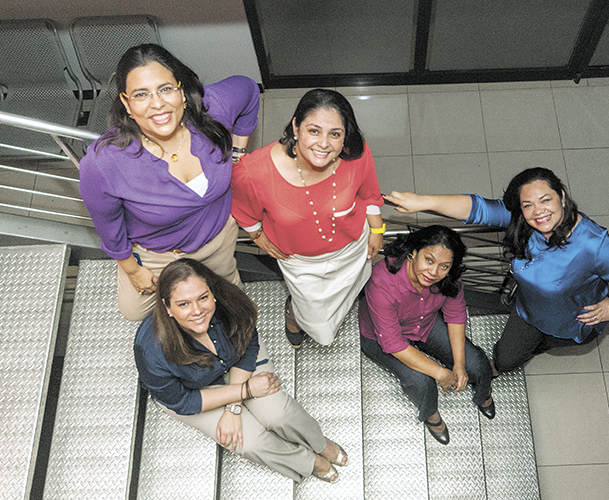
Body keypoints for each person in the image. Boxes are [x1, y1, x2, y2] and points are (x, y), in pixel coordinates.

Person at [384, 167, 609, 374]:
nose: (538, 212)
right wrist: (424, 202)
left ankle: (531, 351)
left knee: (541, 346)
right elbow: (478, 208)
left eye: (545, 200)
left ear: (561, 197)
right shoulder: (526, 223)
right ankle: (505, 363)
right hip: (526, 311)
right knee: (506, 357)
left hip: (570, 323)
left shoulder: (594, 246)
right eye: (528, 205)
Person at [79, 44, 260, 321]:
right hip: (158, 253)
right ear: (127, 104)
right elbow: (108, 225)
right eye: (141, 94)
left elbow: (248, 89)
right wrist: (132, 269)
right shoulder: (105, 161)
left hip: (217, 238)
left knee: (229, 296)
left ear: (181, 91)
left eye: (166, 89)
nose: (157, 103)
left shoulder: (212, 110)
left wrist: (236, 153)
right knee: (133, 312)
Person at [134, 258, 348, 483]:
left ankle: (320, 443)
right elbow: (182, 402)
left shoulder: (229, 301)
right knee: (251, 442)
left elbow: (248, 341)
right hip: (196, 392)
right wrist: (244, 391)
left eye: (203, 298)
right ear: (167, 307)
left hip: (239, 363)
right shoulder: (151, 350)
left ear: (212, 293)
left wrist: (233, 407)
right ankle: (308, 462)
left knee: (280, 414)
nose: (197, 311)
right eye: (183, 304)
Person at [231, 89, 384, 348]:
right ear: (295, 126)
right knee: (320, 327)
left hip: (351, 251)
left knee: (349, 293)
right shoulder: (253, 171)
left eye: (335, 134)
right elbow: (243, 210)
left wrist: (377, 231)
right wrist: (257, 236)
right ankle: (294, 314)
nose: (324, 144)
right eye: (314, 131)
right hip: (301, 263)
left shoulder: (356, 155)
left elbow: (369, 195)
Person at [358, 225, 495, 445]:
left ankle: (482, 393)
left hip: (425, 324)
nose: (434, 273)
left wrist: (458, 364)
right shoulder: (381, 281)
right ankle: (431, 414)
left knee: (477, 363)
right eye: (428, 260)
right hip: (380, 337)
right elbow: (394, 344)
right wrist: (441, 373)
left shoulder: (447, 277)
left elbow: (456, 313)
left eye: (444, 266)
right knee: (421, 381)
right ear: (413, 252)